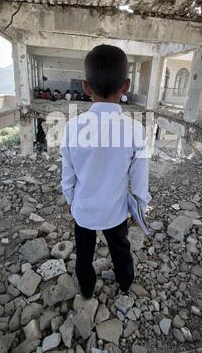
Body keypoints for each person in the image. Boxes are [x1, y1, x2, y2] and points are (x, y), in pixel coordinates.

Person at [61, 45, 150, 299]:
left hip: (84, 210)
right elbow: (139, 181)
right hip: (115, 211)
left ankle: (87, 289)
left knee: (84, 252)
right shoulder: (135, 130)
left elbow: (68, 177)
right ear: (127, 85)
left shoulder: (71, 128)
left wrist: (71, 201)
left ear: (85, 87)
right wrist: (140, 209)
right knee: (120, 247)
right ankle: (125, 282)